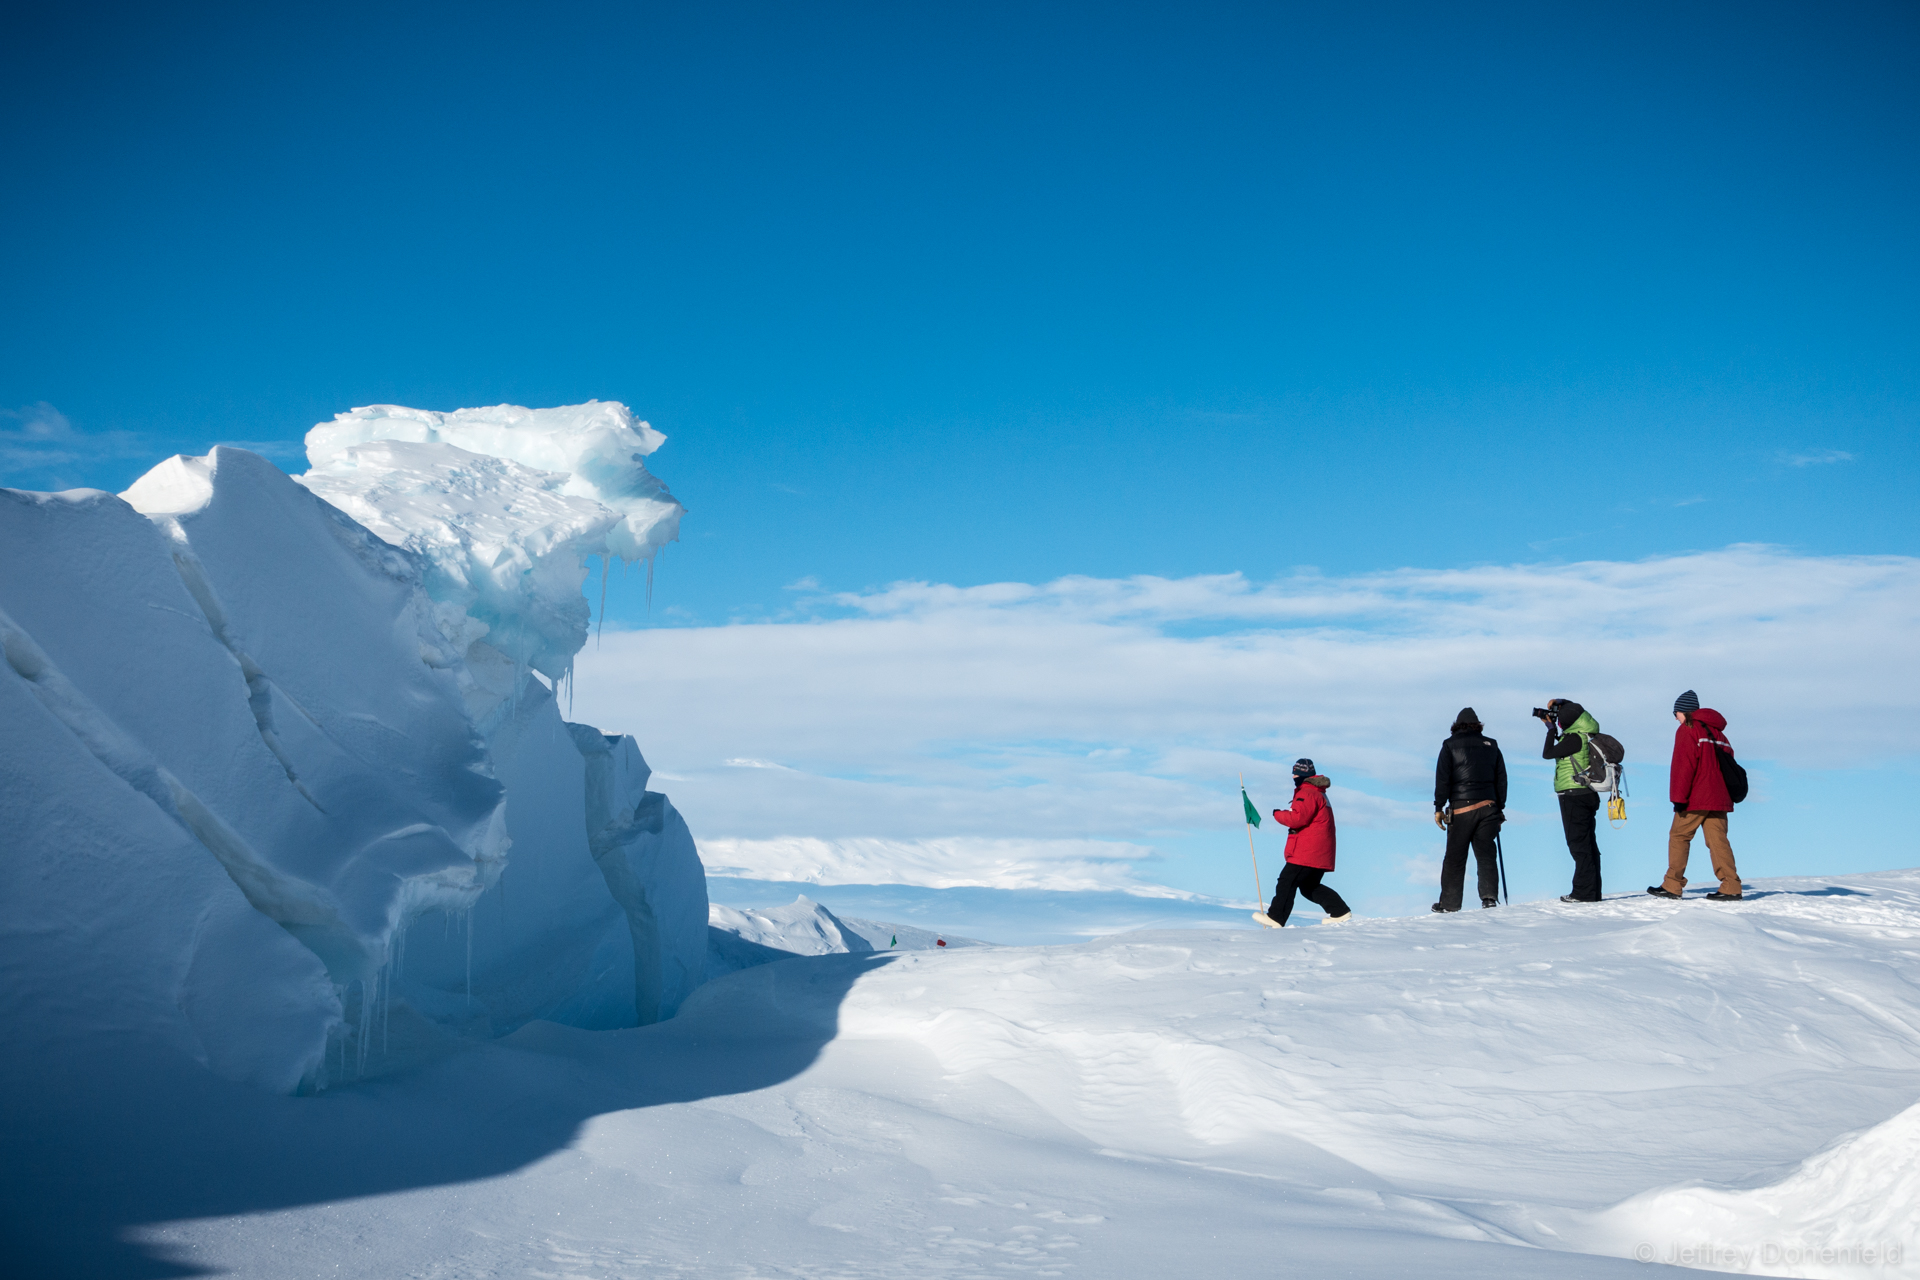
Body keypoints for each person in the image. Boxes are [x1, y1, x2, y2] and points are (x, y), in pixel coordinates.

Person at [1649, 690, 1744, 901]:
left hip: (1696, 796)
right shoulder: (1719, 734)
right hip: (1719, 798)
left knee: (1679, 836)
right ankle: (1731, 885)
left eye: (1676, 713)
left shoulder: (1688, 730)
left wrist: (1678, 798)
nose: (1675, 718)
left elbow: (1684, 766)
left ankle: (1672, 884)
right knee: (1718, 840)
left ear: (1684, 712)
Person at [1258, 759, 1353, 927]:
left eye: (1295, 773)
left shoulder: (1307, 793)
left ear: (1301, 775)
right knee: (1308, 886)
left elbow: (1297, 818)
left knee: (1286, 880)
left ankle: (1276, 917)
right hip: (1320, 850)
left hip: (1308, 849)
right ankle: (1340, 911)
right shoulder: (1318, 792)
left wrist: (1278, 814)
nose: (1293, 776)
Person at [1432, 708, 1507, 912]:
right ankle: (1489, 898)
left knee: (1455, 857)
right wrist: (1500, 807)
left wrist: (1438, 807)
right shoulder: (1492, 745)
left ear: (1456, 725)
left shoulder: (1449, 745)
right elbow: (1501, 779)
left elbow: (1443, 779)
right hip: (1489, 806)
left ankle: (1450, 904)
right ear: (1478, 725)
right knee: (1486, 854)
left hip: (1461, 808)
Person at [1536, 698, 1603, 903]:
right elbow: (1574, 709)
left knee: (1579, 845)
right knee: (1588, 845)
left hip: (1574, 795)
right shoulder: (1583, 734)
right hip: (1585, 794)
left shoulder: (1574, 738)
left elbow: (1547, 753)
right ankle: (1592, 892)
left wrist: (1549, 729)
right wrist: (1559, 702)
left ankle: (1583, 893)